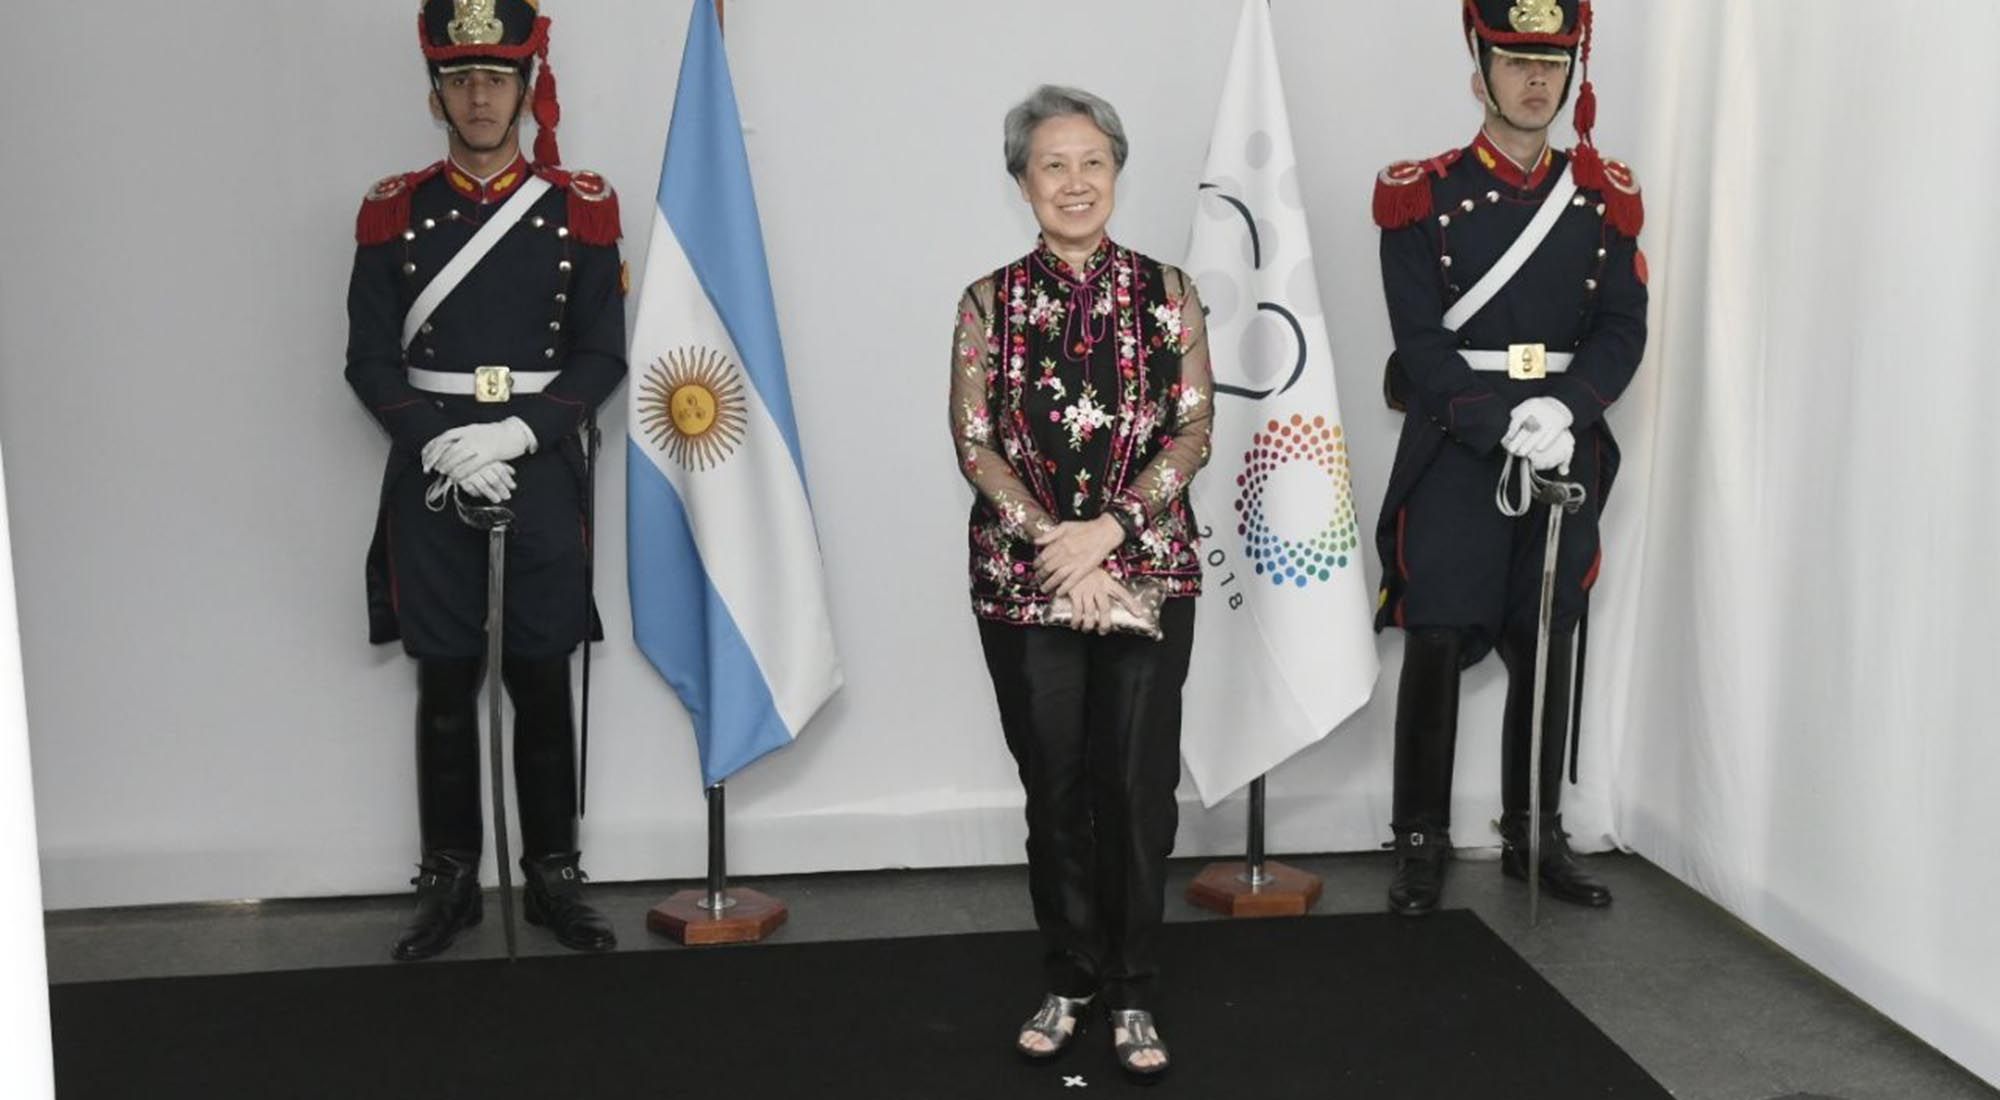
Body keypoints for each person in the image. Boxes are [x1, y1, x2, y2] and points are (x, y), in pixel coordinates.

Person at [345, 0, 626, 960]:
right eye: (461, 79)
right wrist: (436, 441)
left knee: (541, 677)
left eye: (496, 78)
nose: (478, 94)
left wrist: (517, 432)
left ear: (524, 87)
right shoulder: (394, 208)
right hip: (431, 472)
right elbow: (369, 362)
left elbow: (601, 354)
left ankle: (552, 873)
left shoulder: (580, 205)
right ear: (436, 94)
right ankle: (451, 878)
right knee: (445, 682)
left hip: (537, 467)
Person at [948, 85, 1213, 1081]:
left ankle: (1133, 985)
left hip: (1145, 566)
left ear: (1116, 172)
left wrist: (1107, 530)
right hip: (1025, 579)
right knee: (1054, 787)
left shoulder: (1169, 294)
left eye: (1091, 162)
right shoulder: (985, 302)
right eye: (1052, 164)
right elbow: (974, 443)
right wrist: (1055, 542)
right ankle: (1068, 974)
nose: (1073, 182)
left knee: (1136, 789)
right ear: (1022, 180)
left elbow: (1191, 430)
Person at [1371, 0, 1647, 917]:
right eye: (1517, 60)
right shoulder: (1421, 194)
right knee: (1440, 630)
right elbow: (1418, 340)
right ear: (1478, 68)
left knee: (1548, 631)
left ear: (1573, 72)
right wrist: (1500, 424)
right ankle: (1418, 840)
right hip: (1460, 442)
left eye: (1553, 63)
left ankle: (1536, 834)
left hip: (1566, 445)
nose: (1537, 80)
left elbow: (1621, 328)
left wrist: (1566, 413)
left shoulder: (1604, 194)